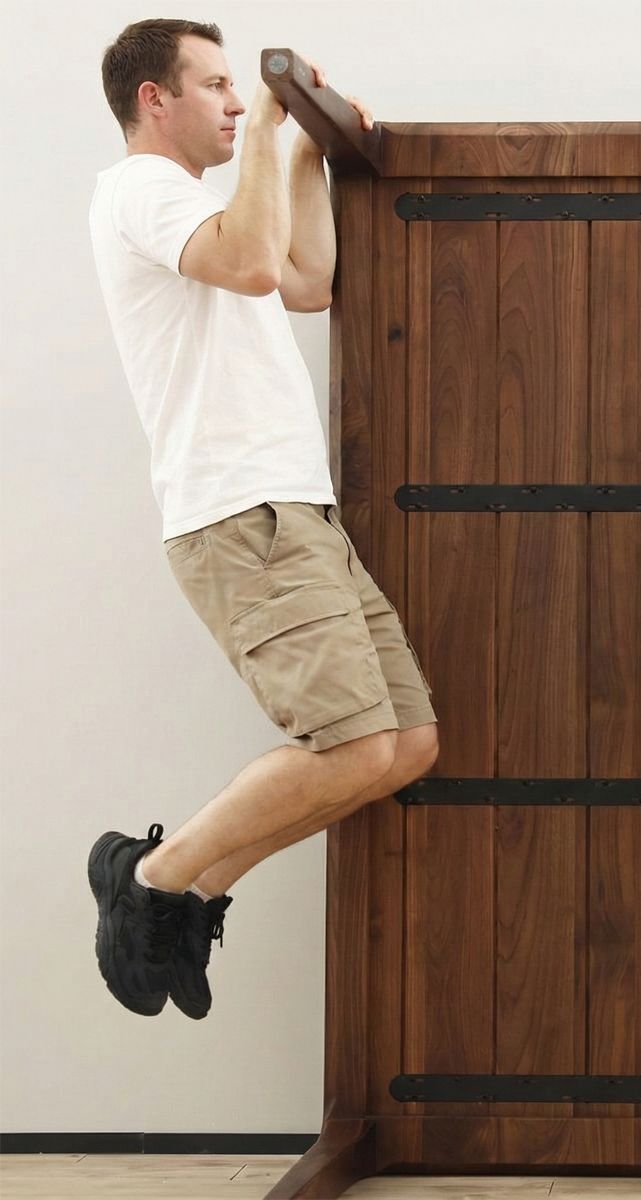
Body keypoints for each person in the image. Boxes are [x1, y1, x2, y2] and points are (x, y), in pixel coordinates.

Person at [87, 19, 438, 1020]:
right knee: (358, 749)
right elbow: (249, 264)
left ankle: (187, 890)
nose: (236, 103)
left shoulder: (203, 208)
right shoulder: (142, 191)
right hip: (241, 517)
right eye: (214, 85)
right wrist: (282, 120)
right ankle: (149, 880)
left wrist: (305, 151)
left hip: (295, 514)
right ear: (153, 99)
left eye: (240, 88)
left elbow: (306, 279)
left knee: (406, 745)